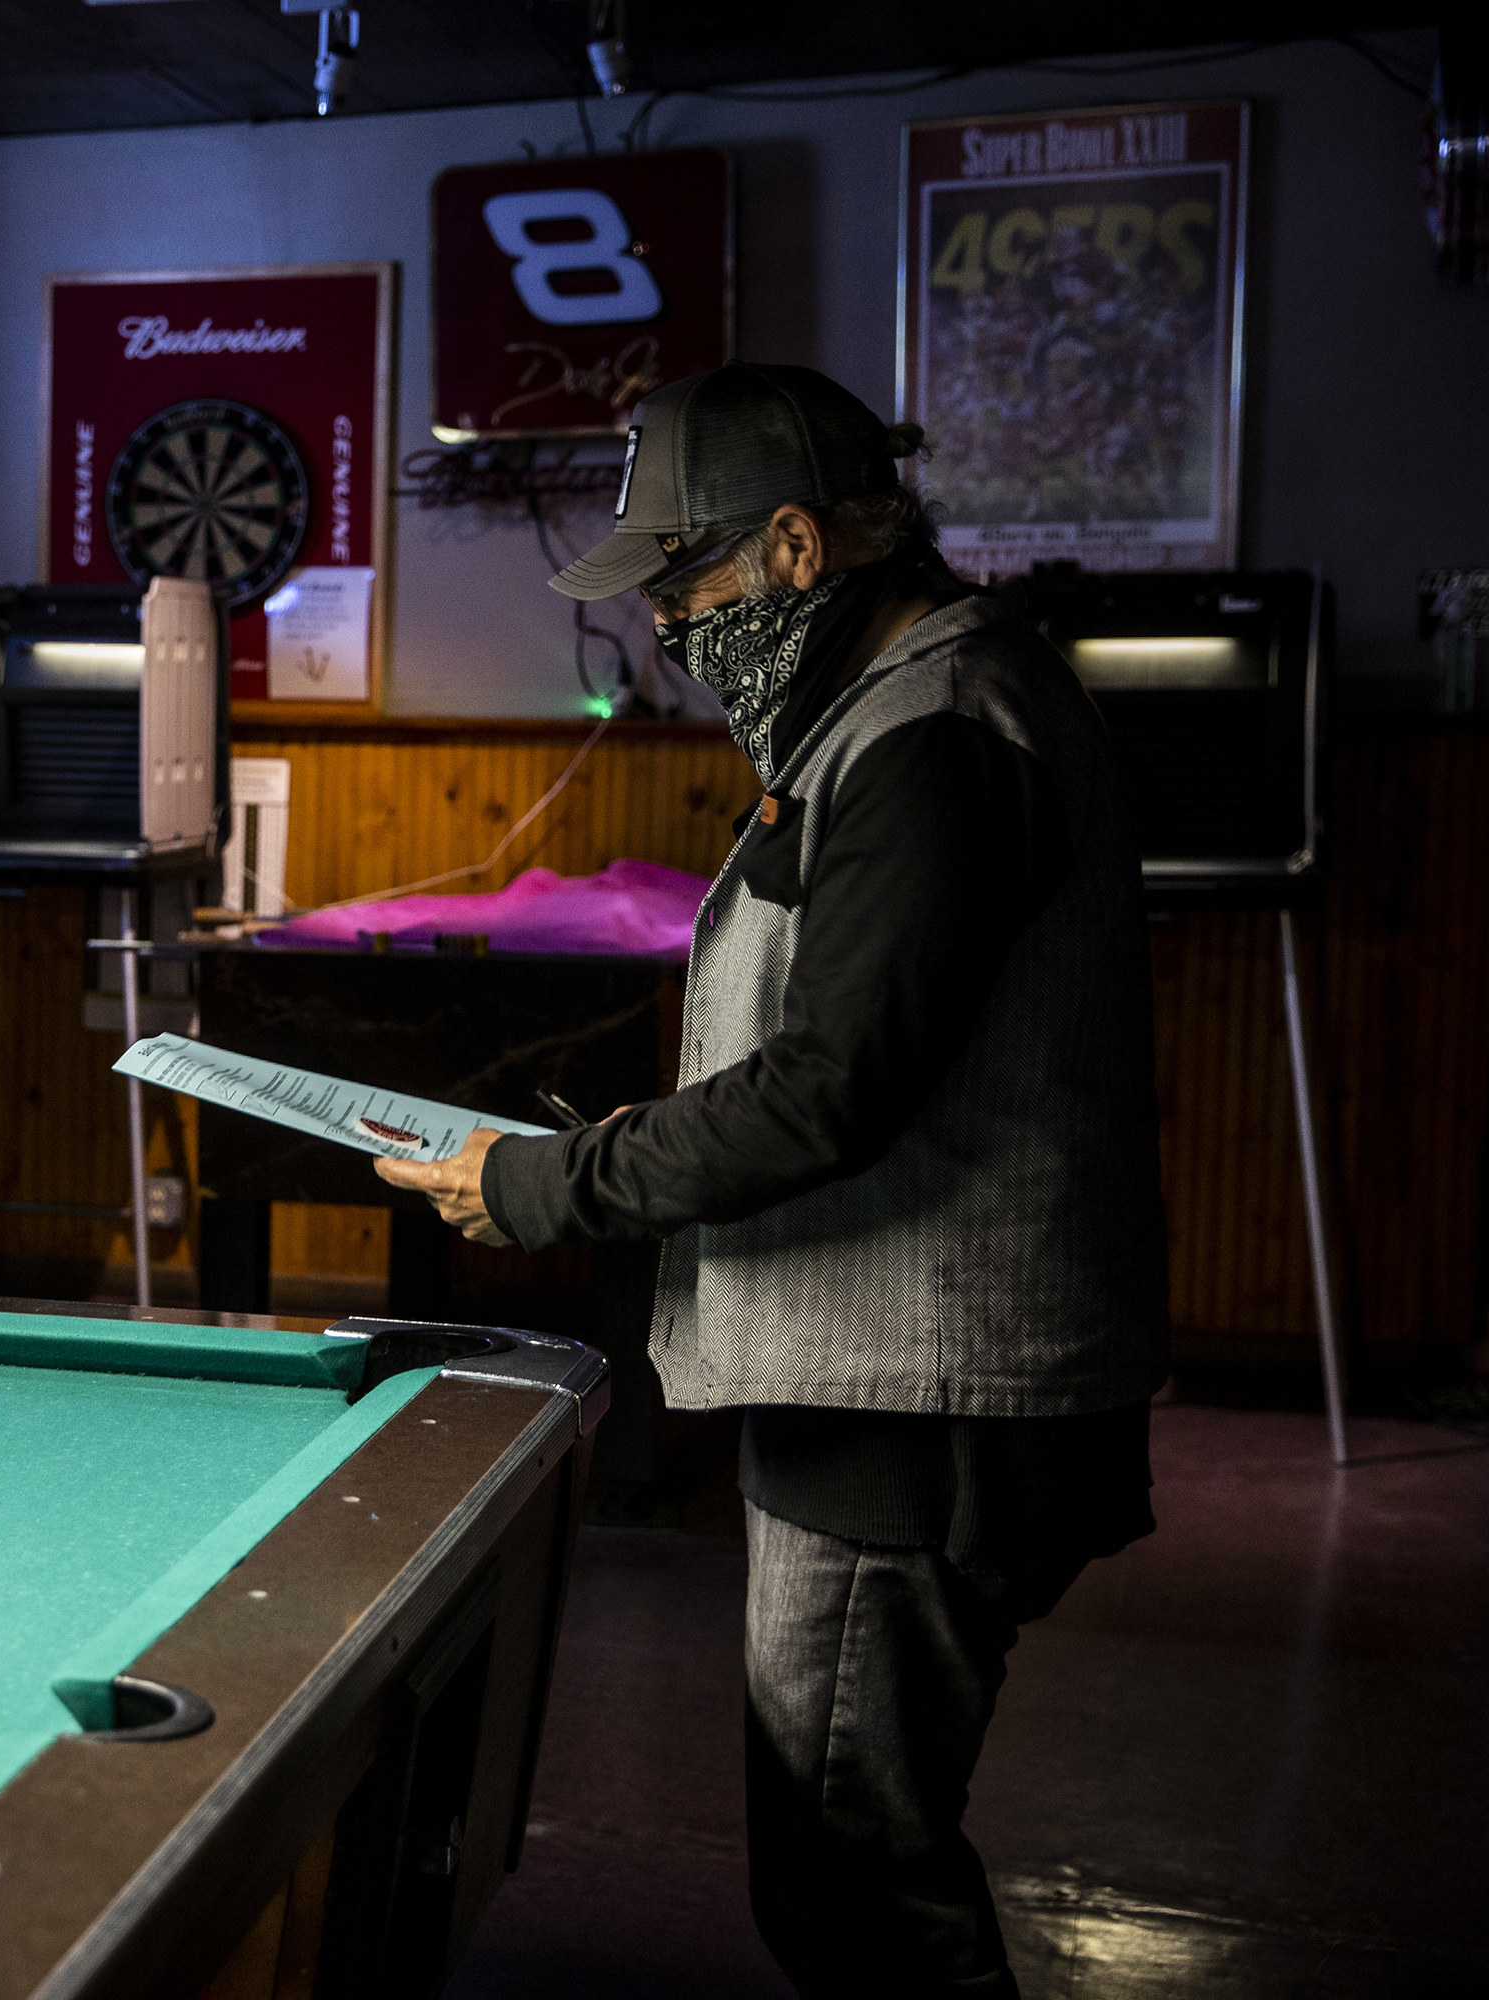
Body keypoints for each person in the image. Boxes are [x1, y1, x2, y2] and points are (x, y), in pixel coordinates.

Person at [377, 362, 1169, 2000]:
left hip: (921, 1411)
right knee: (857, 1858)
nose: (671, 621)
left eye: (689, 576)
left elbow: (830, 1095)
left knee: (852, 1875)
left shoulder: (937, 736)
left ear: (799, 549)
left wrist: (546, 1185)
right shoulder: (921, 705)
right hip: (914, 1386)